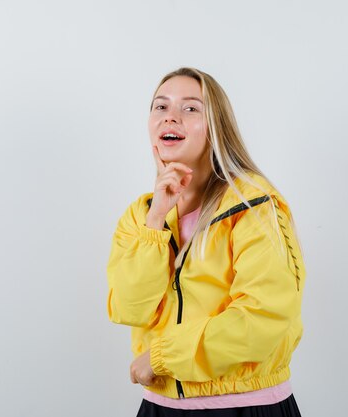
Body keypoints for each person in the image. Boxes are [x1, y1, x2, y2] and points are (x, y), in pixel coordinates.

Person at [106, 67, 306, 417]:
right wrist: (156, 223)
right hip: (160, 406)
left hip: (245, 406)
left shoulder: (253, 207)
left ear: (216, 128)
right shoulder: (140, 217)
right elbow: (128, 308)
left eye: (190, 108)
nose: (171, 116)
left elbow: (262, 319)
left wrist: (161, 357)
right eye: (160, 106)